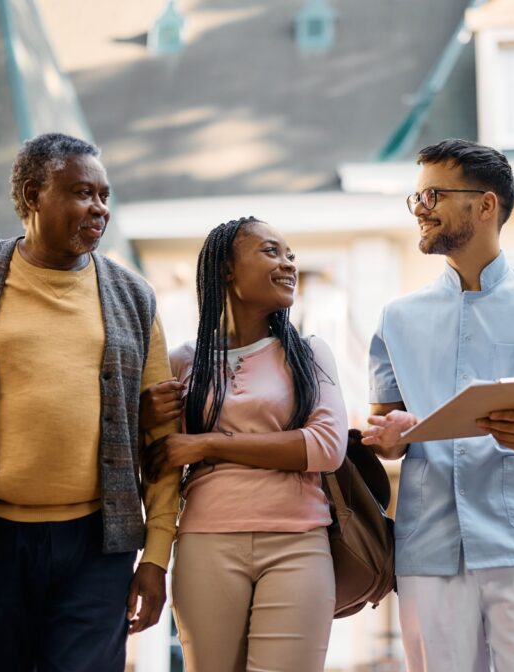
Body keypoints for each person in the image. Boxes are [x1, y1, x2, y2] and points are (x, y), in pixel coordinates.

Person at [0, 133, 180, 671]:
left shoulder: (134, 297)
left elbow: (161, 439)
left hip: (99, 543)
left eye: (104, 195)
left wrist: (158, 556)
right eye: (81, 192)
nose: (99, 208)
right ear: (33, 195)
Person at [363, 138, 514, 671]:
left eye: (434, 194)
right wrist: (390, 436)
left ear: (486, 204)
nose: (420, 208)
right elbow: (381, 433)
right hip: (428, 549)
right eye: (416, 197)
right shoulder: (395, 319)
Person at [142, 216, 348, 672]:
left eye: (291, 254)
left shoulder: (310, 353)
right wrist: (145, 416)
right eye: (271, 251)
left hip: (298, 544)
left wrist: (208, 446)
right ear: (226, 270)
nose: (288, 263)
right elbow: (156, 463)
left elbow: (327, 446)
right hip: (205, 542)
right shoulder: (182, 363)